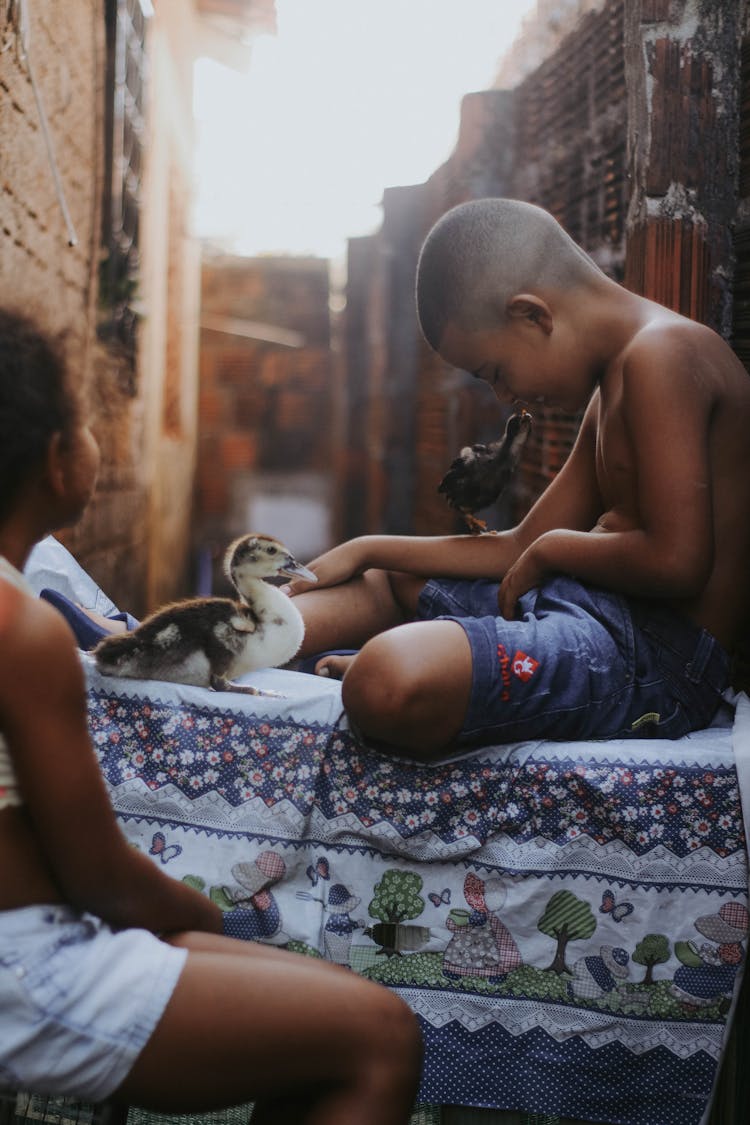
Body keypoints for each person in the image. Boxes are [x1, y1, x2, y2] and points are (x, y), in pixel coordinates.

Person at [0, 309, 421, 1123]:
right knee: (381, 1034)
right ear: (56, 458)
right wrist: (204, 917)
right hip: (21, 969)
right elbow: (101, 879)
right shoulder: (24, 631)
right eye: (84, 422)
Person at [283, 198, 750, 760]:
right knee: (389, 580)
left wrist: (552, 552)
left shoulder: (664, 355)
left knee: (384, 679)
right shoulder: (613, 385)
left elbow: (679, 561)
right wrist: (367, 549)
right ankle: (231, 646)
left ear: (533, 315)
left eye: (496, 373)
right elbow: (518, 546)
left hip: (653, 662)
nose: (504, 397)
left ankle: (418, 668)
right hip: (578, 612)